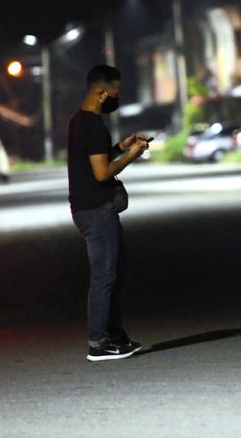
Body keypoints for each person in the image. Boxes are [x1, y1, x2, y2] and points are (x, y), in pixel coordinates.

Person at [68, 64, 149, 361]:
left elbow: (94, 159)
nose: (117, 96)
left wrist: (118, 147)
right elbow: (101, 173)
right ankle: (98, 342)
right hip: (95, 210)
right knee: (104, 276)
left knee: (113, 272)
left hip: (89, 209)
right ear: (102, 92)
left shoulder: (81, 121)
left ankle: (114, 336)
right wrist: (131, 156)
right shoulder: (90, 124)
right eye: (116, 91)